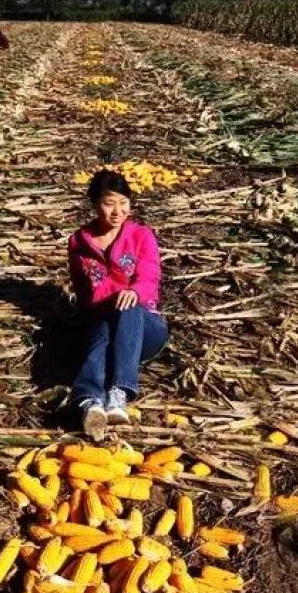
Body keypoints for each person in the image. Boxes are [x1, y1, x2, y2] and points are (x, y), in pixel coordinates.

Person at [68, 169, 169, 439]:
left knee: (128, 308)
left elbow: (150, 275)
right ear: (94, 204)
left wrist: (133, 292)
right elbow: (81, 288)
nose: (117, 211)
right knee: (102, 326)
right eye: (109, 203)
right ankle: (90, 402)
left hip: (145, 328)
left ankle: (119, 390)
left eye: (123, 203)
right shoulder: (79, 242)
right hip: (103, 319)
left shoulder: (141, 235)